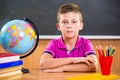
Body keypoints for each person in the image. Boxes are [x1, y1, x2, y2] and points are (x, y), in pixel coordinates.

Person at [39, 3, 98, 72]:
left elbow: (93, 66)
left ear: (81, 26)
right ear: (58, 26)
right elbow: (43, 64)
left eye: (74, 22)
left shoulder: (85, 43)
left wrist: (62, 68)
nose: (69, 26)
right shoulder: (54, 43)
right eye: (64, 22)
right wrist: (74, 59)